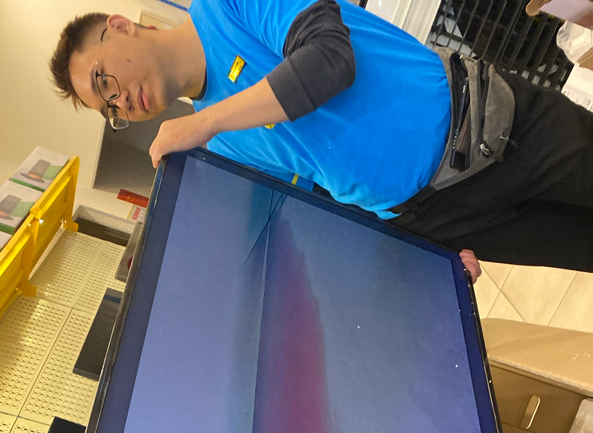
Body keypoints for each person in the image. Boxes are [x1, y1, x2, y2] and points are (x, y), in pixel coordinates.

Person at [50, 2, 593, 273]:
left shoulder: (226, 11)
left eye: (104, 80)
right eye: (109, 109)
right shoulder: (221, 143)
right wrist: (426, 259)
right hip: (434, 216)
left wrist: (207, 122)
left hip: (483, 127)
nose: (120, 102)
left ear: (119, 26)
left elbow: (330, 60)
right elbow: (322, 195)